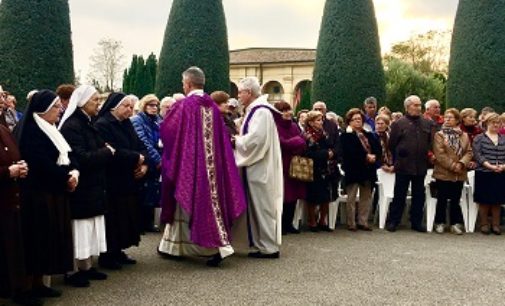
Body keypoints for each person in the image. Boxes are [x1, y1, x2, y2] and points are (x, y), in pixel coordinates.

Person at [157, 67, 247, 267]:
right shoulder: (212, 107)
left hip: (189, 165)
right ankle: (173, 246)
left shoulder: (185, 105)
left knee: (194, 203)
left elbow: (168, 130)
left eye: (183, 83)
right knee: (204, 203)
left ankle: (218, 248)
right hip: (212, 167)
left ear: (188, 84)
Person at [17, 90, 79, 299]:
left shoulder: (51, 129)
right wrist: (65, 177)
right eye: (55, 106)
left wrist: (73, 173)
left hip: (53, 193)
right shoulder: (30, 131)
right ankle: (25, 288)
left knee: (47, 240)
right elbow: (40, 163)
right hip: (36, 196)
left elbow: (67, 155)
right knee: (34, 241)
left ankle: (39, 283)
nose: (60, 109)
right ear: (42, 109)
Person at [59, 85, 112, 287]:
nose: (98, 103)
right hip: (82, 187)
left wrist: (104, 150)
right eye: (94, 100)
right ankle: (73, 270)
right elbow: (82, 157)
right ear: (82, 102)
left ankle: (86, 266)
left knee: (90, 228)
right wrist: (106, 153)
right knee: (79, 230)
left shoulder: (88, 122)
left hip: (94, 185)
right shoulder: (72, 126)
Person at [94, 93, 148, 269]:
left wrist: (144, 163)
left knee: (125, 216)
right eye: (126, 106)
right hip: (113, 179)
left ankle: (119, 250)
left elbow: (141, 145)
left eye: (132, 107)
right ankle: (108, 254)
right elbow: (111, 151)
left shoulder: (127, 123)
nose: (130, 110)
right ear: (113, 107)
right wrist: (136, 158)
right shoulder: (102, 125)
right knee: (113, 217)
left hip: (129, 177)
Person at [234, 76, 283, 258]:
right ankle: (260, 243)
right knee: (256, 206)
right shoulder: (254, 110)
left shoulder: (261, 112)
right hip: (255, 166)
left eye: (240, 92)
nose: (238, 96)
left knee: (262, 206)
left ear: (249, 92)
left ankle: (269, 247)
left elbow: (256, 139)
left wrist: (236, 141)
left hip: (260, 167)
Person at [0, 125, 38, 305]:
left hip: (10, 200)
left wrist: (20, 166)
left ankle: (15, 289)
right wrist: (8, 171)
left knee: (12, 248)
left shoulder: (3, 128)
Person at [387, 95, 434, 232]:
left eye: (419, 105)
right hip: (403, 165)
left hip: (420, 165)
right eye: (415, 105)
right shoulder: (398, 123)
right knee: (399, 194)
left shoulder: (427, 123)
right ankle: (394, 221)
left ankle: (416, 222)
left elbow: (430, 143)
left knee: (419, 195)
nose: (418, 108)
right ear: (407, 107)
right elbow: (392, 144)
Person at [432, 109, 473, 235]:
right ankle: (440, 222)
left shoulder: (464, 135)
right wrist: (452, 165)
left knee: (456, 199)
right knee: (442, 198)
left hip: (459, 172)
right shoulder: (439, 134)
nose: (448, 119)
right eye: (446, 117)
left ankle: (455, 224)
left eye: (451, 117)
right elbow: (439, 153)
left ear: (457, 120)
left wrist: (461, 163)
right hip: (443, 172)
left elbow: (469, 152)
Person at [341, 108, 381, 231]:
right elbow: (349, 152)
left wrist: (374, 156)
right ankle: (351, 222)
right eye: (354, 119)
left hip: (368, 170)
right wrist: (365, 156)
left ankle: (363, 221)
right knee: (352, 197)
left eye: (359, 119)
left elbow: (377, 148)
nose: (358, 121)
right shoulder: (346, 136)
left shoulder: (369, 135)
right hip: (353, 169)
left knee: (366, 197)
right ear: (349, 121)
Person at [130, 94, 163, 233]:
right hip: (146, 158)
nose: (154, 108)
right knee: (143, 190)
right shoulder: (137, 120)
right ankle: (140, 223)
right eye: (151, 105)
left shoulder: (158, 120)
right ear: (144, 105)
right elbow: (144, 142)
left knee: (152, 190)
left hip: (157, 158)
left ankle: (148, 222)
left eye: (156, 105)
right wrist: (157, 159)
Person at [273, 101, 306, 235]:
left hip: (295, 164)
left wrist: (298, 142)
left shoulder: (293, 126)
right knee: (283, 196)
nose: (287, 113)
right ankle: (280, 224)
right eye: (284, 110)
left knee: (294, 196)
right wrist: (298, 140)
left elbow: (303, 144)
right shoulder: (275, 126)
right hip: (281, 164)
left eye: (288, 110)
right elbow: (283, 144)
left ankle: (289, 223)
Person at [472, 113, 505, 235]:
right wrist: (489, 166)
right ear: (486, 124)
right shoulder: (479, 138)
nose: (496, 125)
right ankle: (484, 224)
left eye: (498, 123)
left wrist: (502, 166)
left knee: (497, 200)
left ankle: (496, 225)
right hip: (484, 172)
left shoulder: (503, 138)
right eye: (493, 122)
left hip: (500, 173)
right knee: (484, 200)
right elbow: (478, 155)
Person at [303, 111, 333, 232]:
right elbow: (308, 153)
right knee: (313, 197)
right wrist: (325, 154)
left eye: (321, 120)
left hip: (325, 168)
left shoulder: (324, 134)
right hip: (312, 168)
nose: (321, 122)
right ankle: (312, 221)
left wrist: (331, 153)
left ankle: (323, 221)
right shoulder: (307, 136)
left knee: (326, 196)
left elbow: (330, 147)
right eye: (318, 120)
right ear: (310, 122)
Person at [312, 101, 341, 203]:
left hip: (330, 164)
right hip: (314, 165)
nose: (318, 111)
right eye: (316, 109)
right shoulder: (308, 125)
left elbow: (337, 142)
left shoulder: (332, 125)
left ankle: (324, 218)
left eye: (321, 109)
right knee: (313, 198)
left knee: (328, 197)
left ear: (325, 111)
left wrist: (333, 152)